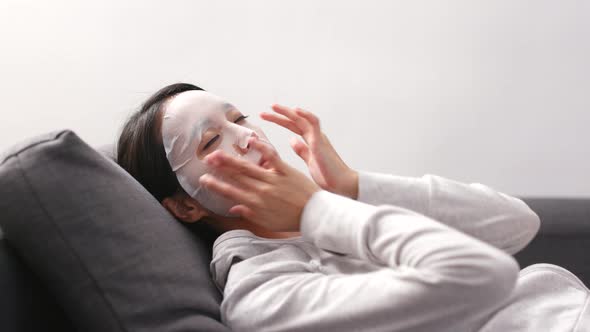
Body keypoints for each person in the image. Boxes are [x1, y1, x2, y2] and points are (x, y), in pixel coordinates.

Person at [117, 83, 590, 332]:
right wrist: (316, 210)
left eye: (238, 118)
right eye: (213, 140)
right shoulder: (263, 299)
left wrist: (352, 188)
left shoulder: (335, 219)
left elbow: (517, 224)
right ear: (184, 207)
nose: (247, 136)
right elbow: (484, 273)